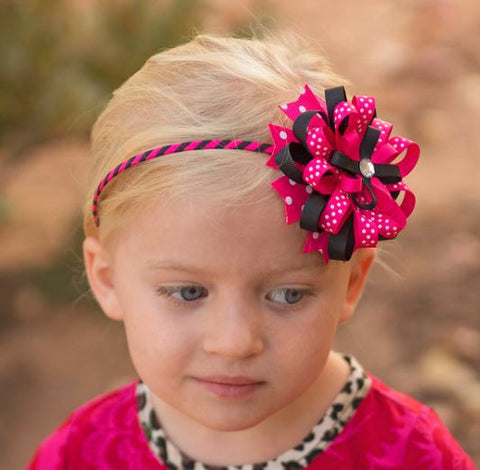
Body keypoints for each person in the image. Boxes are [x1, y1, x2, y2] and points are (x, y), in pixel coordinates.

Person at [27, 31, 476, 469]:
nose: (235, 343)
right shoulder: (81, 453)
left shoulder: (410, 455)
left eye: (287, 295)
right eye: (187, 292)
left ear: (352, 283)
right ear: (107, 279)